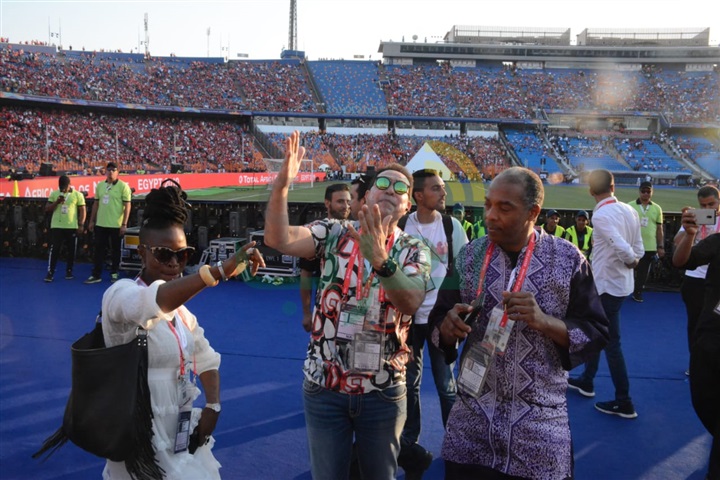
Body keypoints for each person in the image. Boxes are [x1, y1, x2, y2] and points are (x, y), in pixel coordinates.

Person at [264, 131, 431, 480]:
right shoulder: (334, 232)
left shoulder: (414, 249)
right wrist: (281, 187)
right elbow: (278, 239)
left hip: (383, 390)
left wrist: (382, 261)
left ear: (408, 207)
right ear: (367, 195)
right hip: (325, 386)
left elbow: (411, 300)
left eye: (401, 189)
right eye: (383, 183)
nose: (390, 190)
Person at [428, 166, 609, 479]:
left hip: (538, 425)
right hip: (471, 422)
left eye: (504, 208)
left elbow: (596, 331)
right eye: (488, 204)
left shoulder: (568, 260)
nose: (491, 215)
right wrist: (446, 328)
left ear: (533, 212)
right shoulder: (469, 256)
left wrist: (544, 321)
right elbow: (438, 318)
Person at [100, 180, 265, 479]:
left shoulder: (182, 312)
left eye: (183, 254)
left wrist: (213, 406)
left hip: (180, 428)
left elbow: (207, 358)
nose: (174, 263)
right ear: (142, 255)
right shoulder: (119, 295)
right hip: (136, 433)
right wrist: (218, 271)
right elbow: (152, 302)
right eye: (164, 254)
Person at [397, 169, 468, 479]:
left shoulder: (452, 227)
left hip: (442, 319)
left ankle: (455, 445)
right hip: (409, 319)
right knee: (409, 386)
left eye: (443, 188)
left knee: (446, 386)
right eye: (437, 188)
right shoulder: (401, 226)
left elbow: (465, 268)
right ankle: (408, 445)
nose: (444, 193)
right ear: (419, 196)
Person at [568, 169, 644, 419]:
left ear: (591, 191)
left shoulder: (600, 214)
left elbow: (622, 247)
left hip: (606, 285)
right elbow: (638, 248)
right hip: (619, 285)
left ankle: (624, 401)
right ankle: (587, 380)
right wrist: (633, 260)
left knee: (611, 342)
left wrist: (630, 260)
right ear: (614, 186)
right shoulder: (630, 210)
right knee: (599, 334)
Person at [672, 208, 720, 480]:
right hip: (711, 338)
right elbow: (682, 261)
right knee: (702, 399)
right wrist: (689, 234)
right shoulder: (717, 241)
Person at [674, 186, 719, 366]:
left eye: (712, 204)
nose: (708, 209)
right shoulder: (694, 218)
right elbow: (677, 244)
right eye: (703, 205)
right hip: (695, 278)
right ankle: (696, 363)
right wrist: (689, 230)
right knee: (695, 324)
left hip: (716, 281)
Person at [299, 183, 351, 332]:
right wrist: (307, 313)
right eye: (340, 201)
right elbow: (306, 275)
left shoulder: (356, 229)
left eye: (348, 201)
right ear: (327, 203)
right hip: (326, 309)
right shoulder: (317, 233)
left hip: (354, 310)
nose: (346, 206)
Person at [85, 162, 133, 284]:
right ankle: (96, 274)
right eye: (109, 170)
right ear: (105, 172)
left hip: (116, 224)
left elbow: (127, 205)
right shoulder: (100, 186)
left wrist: (124, 224)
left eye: (113, 170)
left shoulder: (123, 186)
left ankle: (114, 272)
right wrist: (91, 221)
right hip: (101, 223)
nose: (111, 172)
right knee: (98, 250)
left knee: (115, 250)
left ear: (117, 172)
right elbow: (96, 204)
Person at [44, 175, 86, 282]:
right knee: (55, 249)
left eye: (64, 187)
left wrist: (81, 224)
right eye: (60, 187)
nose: (62, 189)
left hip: (71, 226)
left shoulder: (77, 195)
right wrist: (57, 202)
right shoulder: (54, 193)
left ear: (69, 185)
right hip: (57, 226)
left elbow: (82, 210)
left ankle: (69, 271)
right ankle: (50, 272)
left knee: (71, 250)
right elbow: (47, 209)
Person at [628, 181, 664, 302]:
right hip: (632, 244)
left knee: (643, 272)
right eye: (643, 191)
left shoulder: (657, 208)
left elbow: (659, 229)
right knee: (628, 269)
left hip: (649, 246)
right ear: (639, 192)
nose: (645, 194)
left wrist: (660, 246)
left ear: (652, 192)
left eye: (648, 191)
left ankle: (637, 292)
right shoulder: (630, 205)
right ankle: (626, 290)